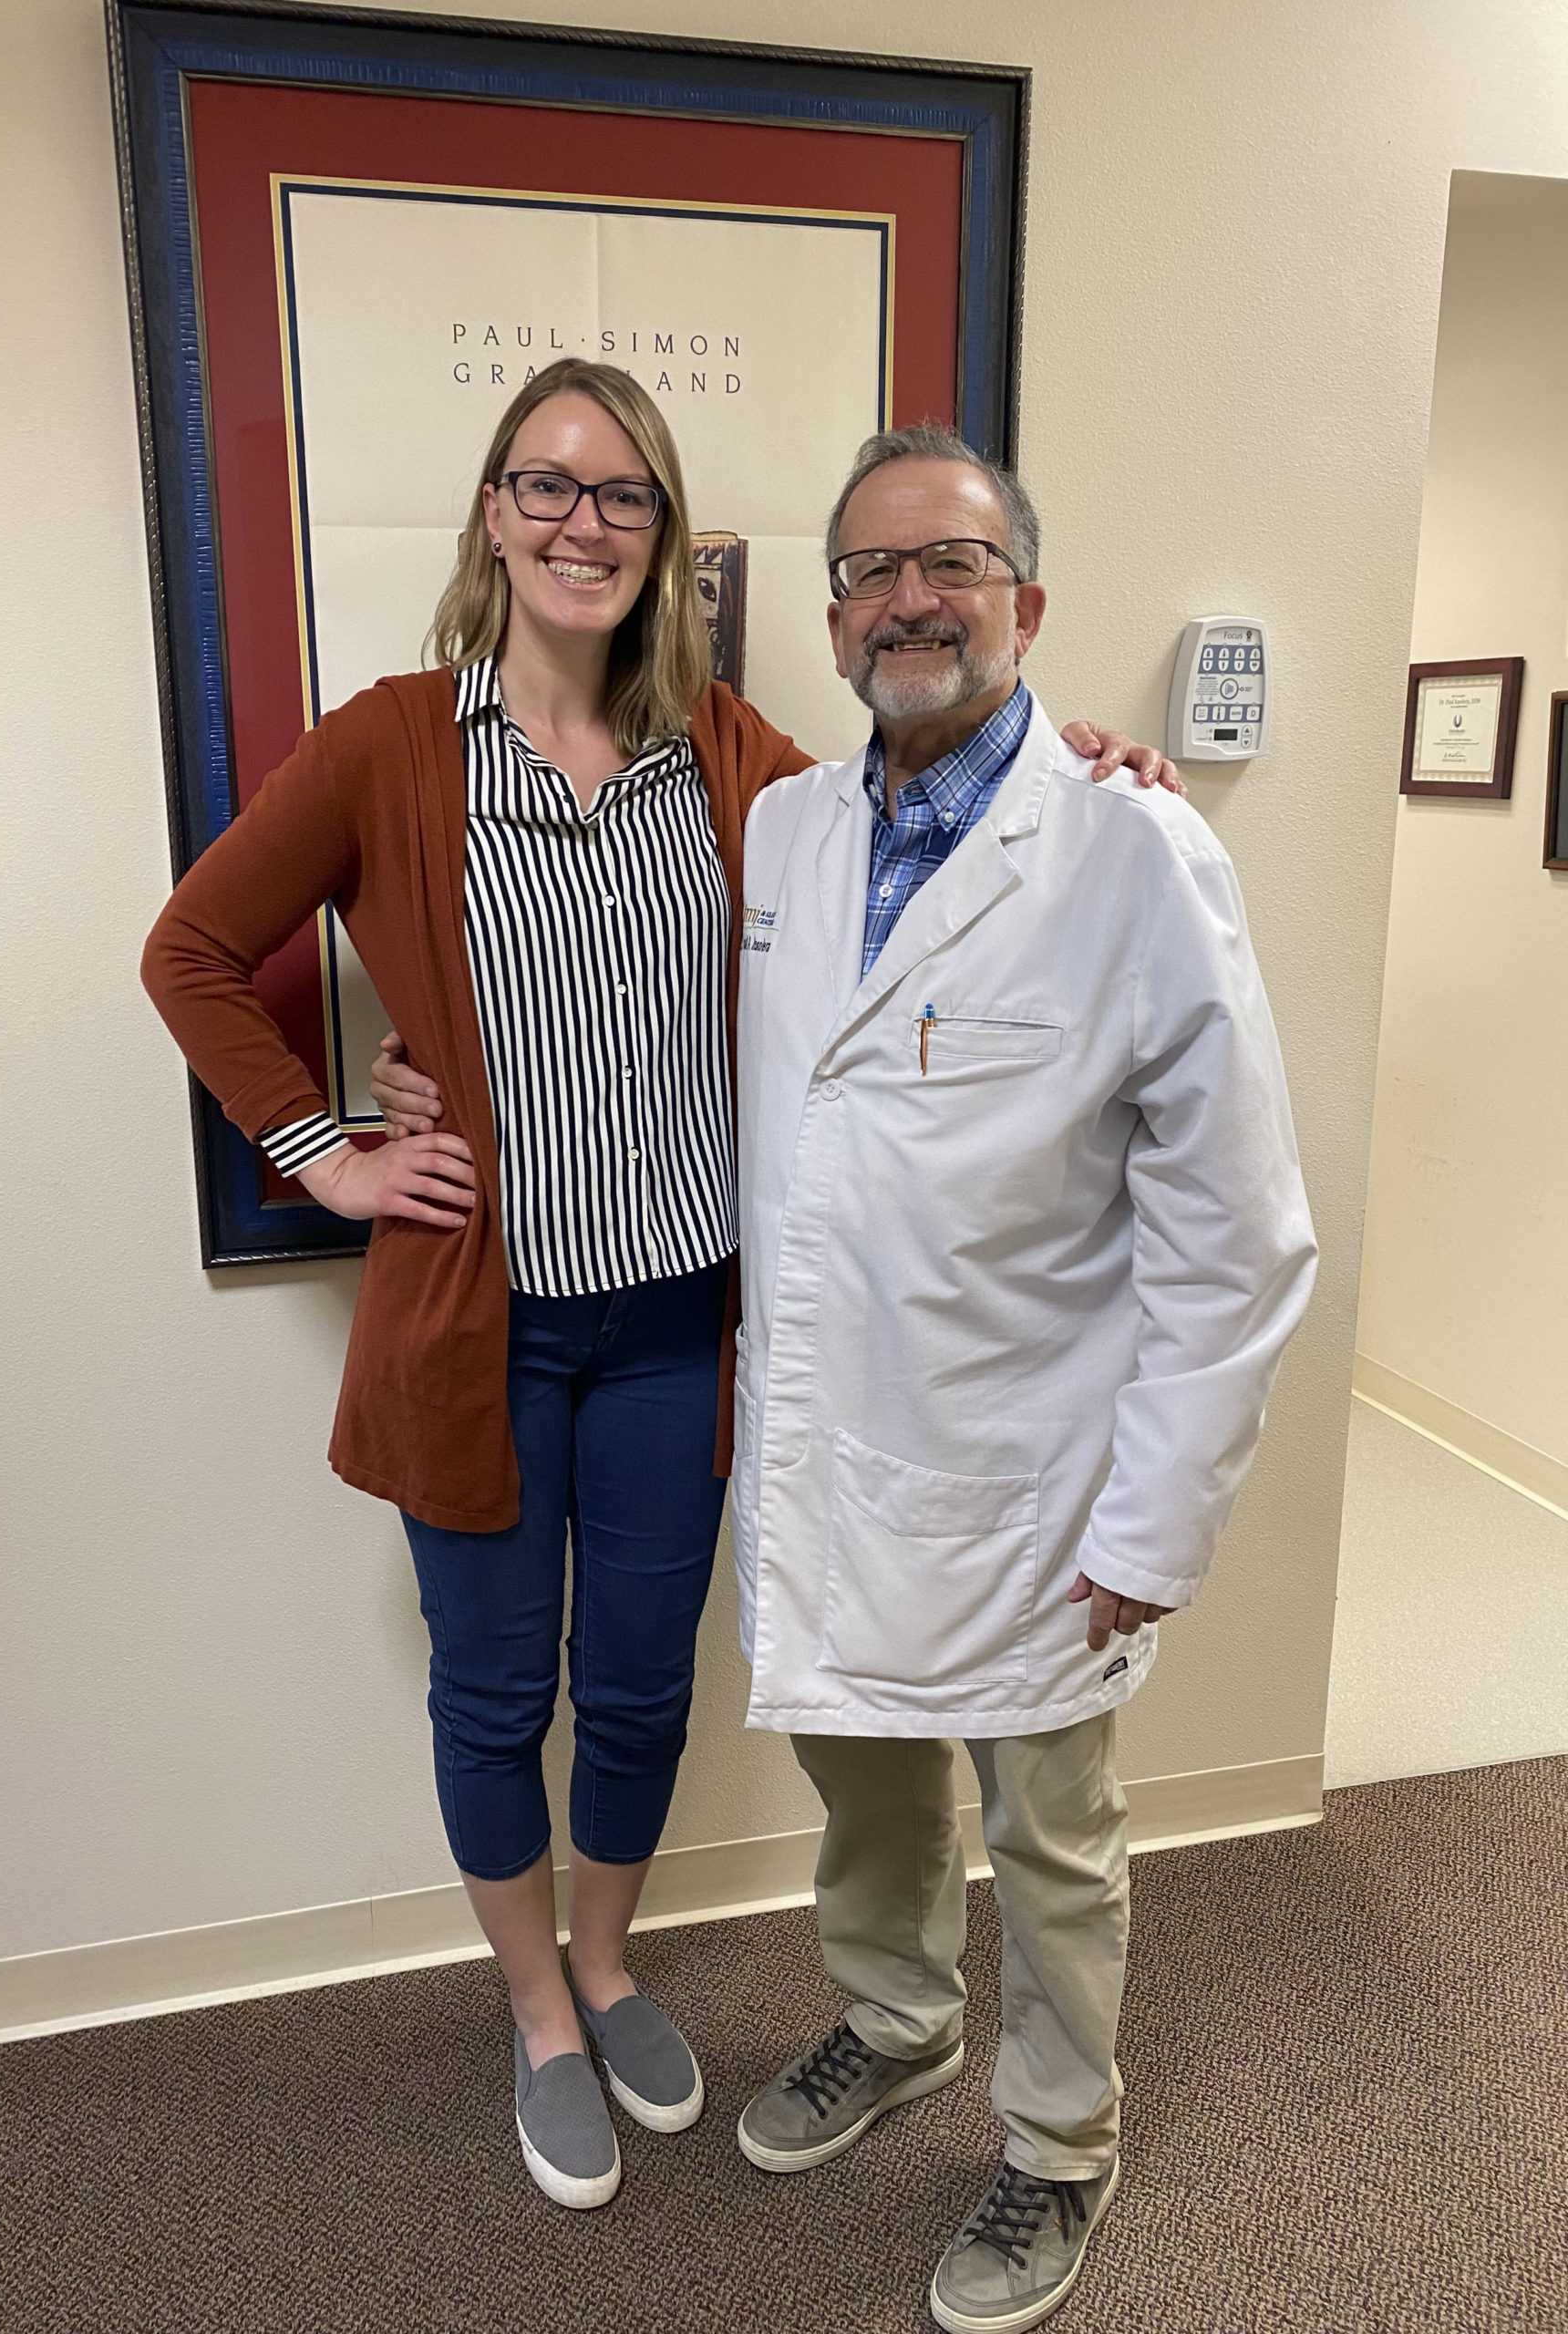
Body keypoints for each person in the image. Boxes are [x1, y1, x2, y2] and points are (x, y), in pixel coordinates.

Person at [144, 359, 1177, 2215]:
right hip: (483, 1330)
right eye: (545, 486)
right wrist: (326, 1145)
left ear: (667, 535)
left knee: (634, 1693)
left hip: (675, 1335)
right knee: (492, 1690)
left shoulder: (729, 755)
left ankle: (610, 1959)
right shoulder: (392, 742)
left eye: (622, 494)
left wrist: (1090, 768)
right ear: (492, 515)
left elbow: (912, 829)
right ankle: (538, 2006)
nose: (580, 521)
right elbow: (197, 946)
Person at [711, 424, 1315, 2333]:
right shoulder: (786, 828)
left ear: (1028, 603)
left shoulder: (1133, 843)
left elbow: (1239, 1228)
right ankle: (895, 2017)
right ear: (830, 621)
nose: (912, 598)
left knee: (1053, 1834)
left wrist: (1159, 1512)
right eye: (876, 571)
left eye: (953, 564)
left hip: (1040, 1469)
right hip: (831, 1448)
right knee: (865, 1783)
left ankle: (1061, 2136)